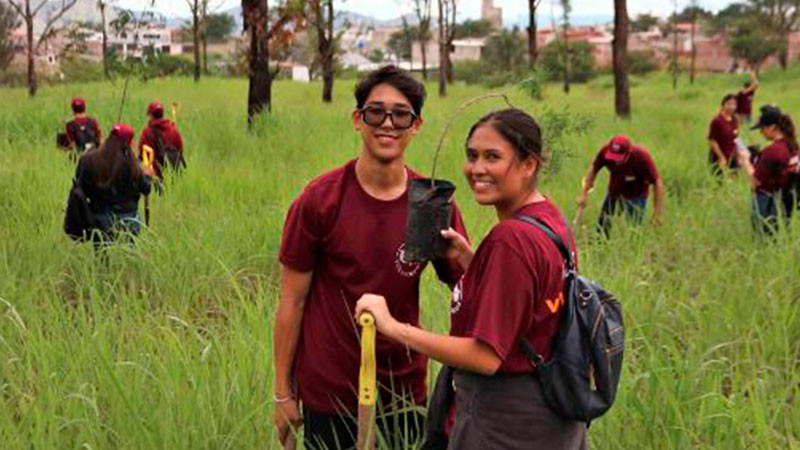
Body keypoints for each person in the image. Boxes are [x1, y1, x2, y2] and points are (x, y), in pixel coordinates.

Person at [356, 109, 587, 450]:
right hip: (550, 415)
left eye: (493, 157)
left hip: (506, 422)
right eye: (472, 155)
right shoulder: (549, 220)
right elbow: (530, 306)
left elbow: (485, 356)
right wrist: (472, 263)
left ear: (529, 165)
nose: (477, 169)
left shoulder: (512, 239)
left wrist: (393, 327)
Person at [273, 65, 468, 450]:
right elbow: (291, 302)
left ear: (416, 125)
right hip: (329, 387)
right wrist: (282, 393)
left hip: (404, 385)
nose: (388, 124)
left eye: (401, 115)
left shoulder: (430, 204)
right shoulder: (320, 200)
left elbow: (466, 291)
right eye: (376, 112)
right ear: (358, 120)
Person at [75, 124, 154, 241]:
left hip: (99, 220)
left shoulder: (90, 160)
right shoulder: (132, 166)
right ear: (128, 143)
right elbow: (146, 189)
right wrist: (147, 175)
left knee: (101, 256)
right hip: (129, 221)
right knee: (129, 256)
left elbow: (80, 187)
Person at [576, 135, 664, 236]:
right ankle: (601, 242)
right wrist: (584, 194)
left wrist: (657, 214)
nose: (615, 161)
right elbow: (594, 168)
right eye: (613, 157)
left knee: (633, 229)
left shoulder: (642, 157)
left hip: (636, 195)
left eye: (618, 158)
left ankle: (632, 247)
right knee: (603, 223)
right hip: (615, 191)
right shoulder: (605, 152)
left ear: (628, 153)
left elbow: (657, 182)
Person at [736, 105, 800, 234]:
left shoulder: (772, 151)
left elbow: (755, 182)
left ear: (773, 127)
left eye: (762, 128)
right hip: (784, 201)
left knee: (762, 239)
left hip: (766, 203)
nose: (761, 132)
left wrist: (745, 161)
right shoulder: (792, 145)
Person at [138, 101, 184, 179]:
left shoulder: (147, 132)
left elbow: (143, 154)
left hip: (154, 175)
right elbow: (180, 149)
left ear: (151, 115)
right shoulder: (173, 130)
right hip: (173, 172)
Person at [708, 94, 740, 177]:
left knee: (734, 180)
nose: (731, 107)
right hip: (718, 157)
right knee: (719, 182)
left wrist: (740, 154)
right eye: (729, 104)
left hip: (732, 156)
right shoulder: (717, 121)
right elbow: (712, 141)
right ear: (723, 105)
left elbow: (736, 138)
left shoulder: (734, 119)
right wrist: (721, 157)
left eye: (734, 104)